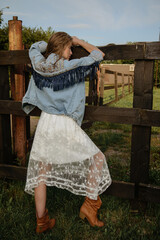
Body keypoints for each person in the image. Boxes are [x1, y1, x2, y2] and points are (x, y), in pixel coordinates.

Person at [22, 32, 112, 234]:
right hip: (64, 123)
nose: (71, 53)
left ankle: (41, 221)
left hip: (45, 123)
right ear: (62, 47)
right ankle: (89, 206)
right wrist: (79, 41)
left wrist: (51, 45)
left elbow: (35, 47)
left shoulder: (39, 64)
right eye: (69, 48)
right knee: (98, 158)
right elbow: (99, 55)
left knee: (41, 173)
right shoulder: (70, 66)